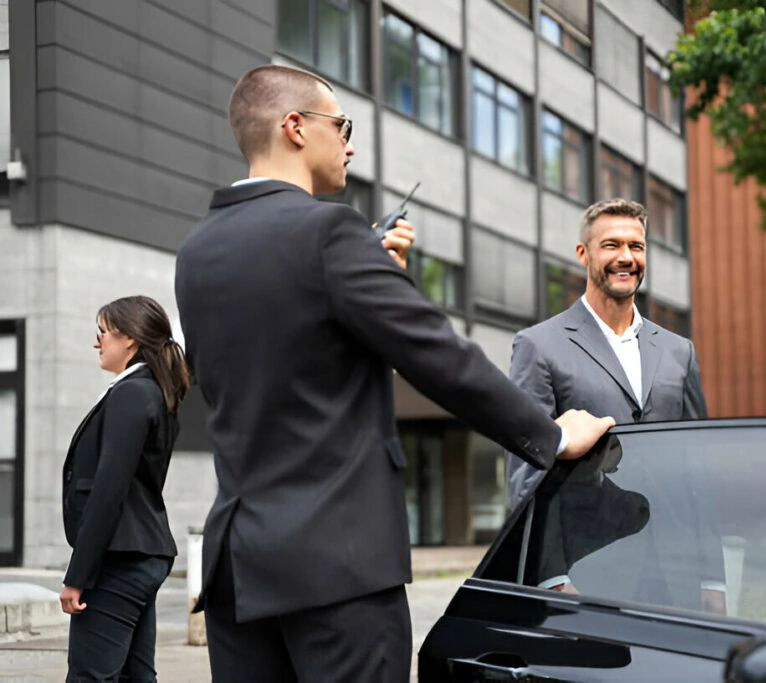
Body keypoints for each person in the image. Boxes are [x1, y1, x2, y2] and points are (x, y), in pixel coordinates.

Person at [174, 64, 614, 682]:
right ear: (295, 127)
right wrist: (552, 436)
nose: (348, 142)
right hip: (338, 567)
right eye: (340, 125)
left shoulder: (197, 252)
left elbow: (287, 362)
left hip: (239, 572)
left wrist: (372, 277)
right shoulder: (329, 231)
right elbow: (437, 354)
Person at [505, 198, 723, 611]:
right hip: (587, 574)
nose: (626, 257)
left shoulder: (679, 351)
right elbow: (525, 474)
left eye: (636, 247)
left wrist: (714, 577)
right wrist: (551, 577)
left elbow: (699, 471)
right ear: (583, 253)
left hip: (678, 575)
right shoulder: (538, 346)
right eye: (611, 245)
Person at [61, 295, 190, 682]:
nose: (96, 342)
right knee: (135, 676)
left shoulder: (134, 394)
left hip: (120, 558)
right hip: (138, 554)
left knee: (91, 676)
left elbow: (109, 491)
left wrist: (78, 575)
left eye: (102, 333)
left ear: (130, 341)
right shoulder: (151, 391)